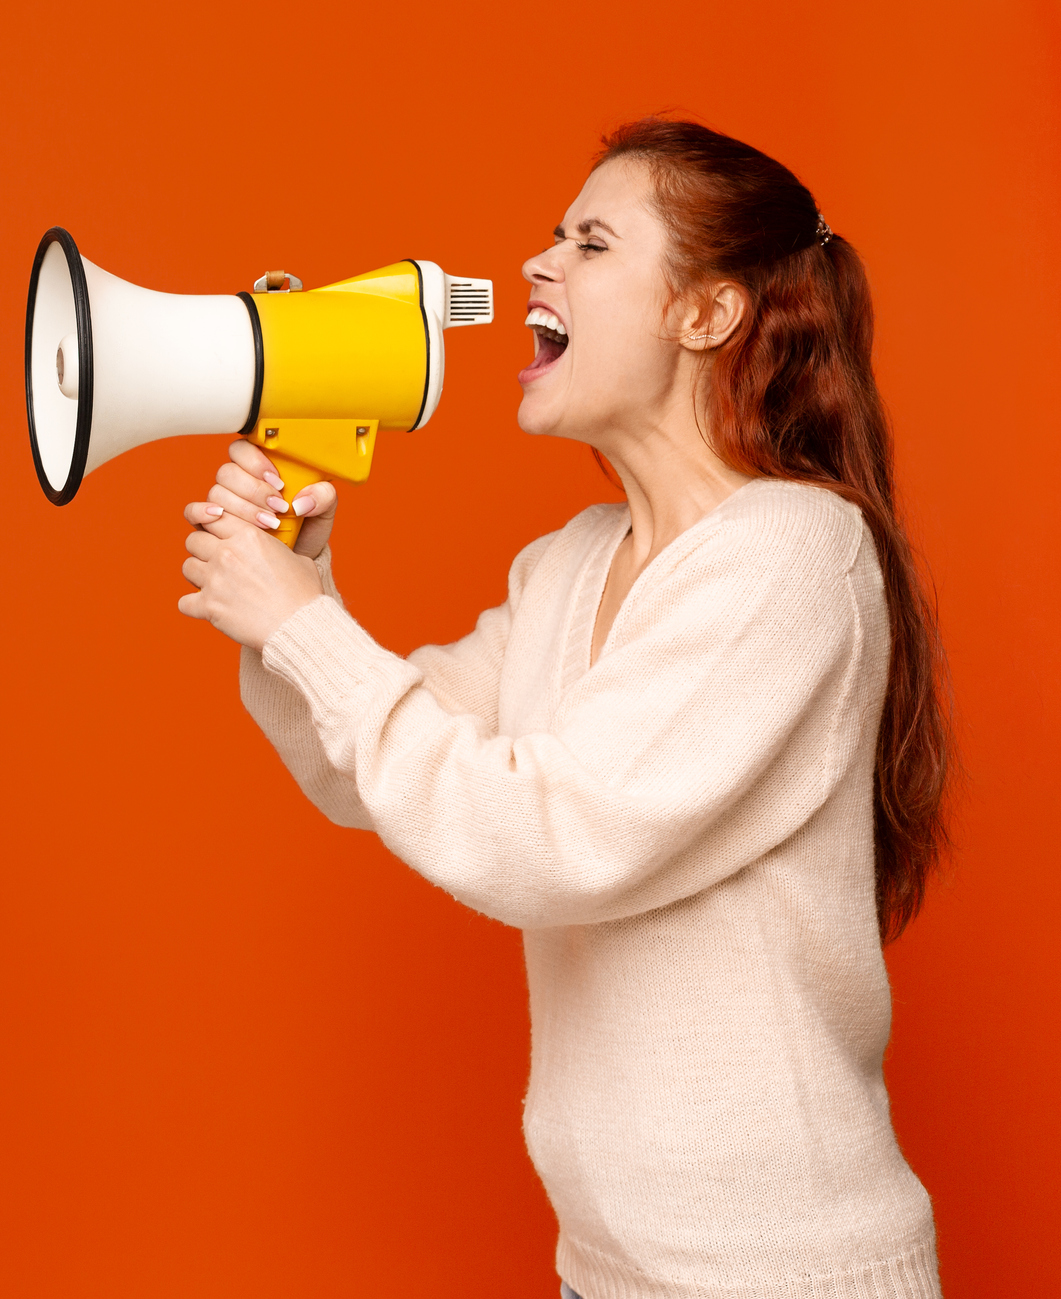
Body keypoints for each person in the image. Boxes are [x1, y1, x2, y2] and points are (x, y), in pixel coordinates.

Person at [178, 120, 948, 1297]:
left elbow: (545, 839)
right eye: (550, 236)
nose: (536, 267)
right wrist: (302, 582)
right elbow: (367, 772)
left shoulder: (792, 556)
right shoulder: (565, 565)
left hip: (778, 1275)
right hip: (606, 1271)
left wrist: (297, 621)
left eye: (589, 243)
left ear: (706, 315)